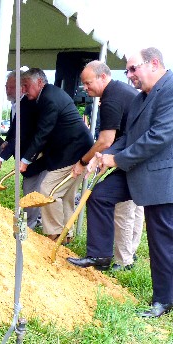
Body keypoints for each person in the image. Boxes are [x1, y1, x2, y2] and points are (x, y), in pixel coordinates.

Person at [68, 48, 173, 318]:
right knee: (100, 195)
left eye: (133, 69)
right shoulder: (140, 99)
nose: (129, 75)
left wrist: (117, 160)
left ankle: (163, 300)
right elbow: (131, 136)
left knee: (161, 240)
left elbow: (157, 137)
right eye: (127, 71)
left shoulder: (170, 90)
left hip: (162, 176)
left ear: (154, 63)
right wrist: (104, 155)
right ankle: (100, 255)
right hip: (138, 169)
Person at [70, 60, 143, 271]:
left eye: (88, 82)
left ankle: (116, 258)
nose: (85, 87)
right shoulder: (120, 91)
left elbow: (105, 140)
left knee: (118, 204)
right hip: (130, 152)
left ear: (103, 77)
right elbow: (121, 137)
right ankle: (122, 255)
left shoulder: (111, 98)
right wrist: (106, 157)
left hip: (135, 157)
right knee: (128, 204)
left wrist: (85, 161)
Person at [19, 68, 93, 243]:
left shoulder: (49, 99)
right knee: (66, 195)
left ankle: (55, 234)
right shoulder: (48, 95)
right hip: (77, 149)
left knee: (48, 190)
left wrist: (25, 160)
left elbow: (43, 132)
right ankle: (66, 237)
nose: (23, 90)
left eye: (26, 86)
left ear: (39, 83)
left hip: (74, 151)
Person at [0, 71, 46, 229]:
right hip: (27, 158)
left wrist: (1, 159)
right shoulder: (15, 105)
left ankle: (29, 228)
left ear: (22, 88)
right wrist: (6, 142)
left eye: (11, 87)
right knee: (28, 191)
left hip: (40, 156)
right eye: (6, 86)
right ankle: (29, 225)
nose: (7, 90)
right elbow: (14, 130)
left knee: (35, 193)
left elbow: (20, 135)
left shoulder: (28, 105)